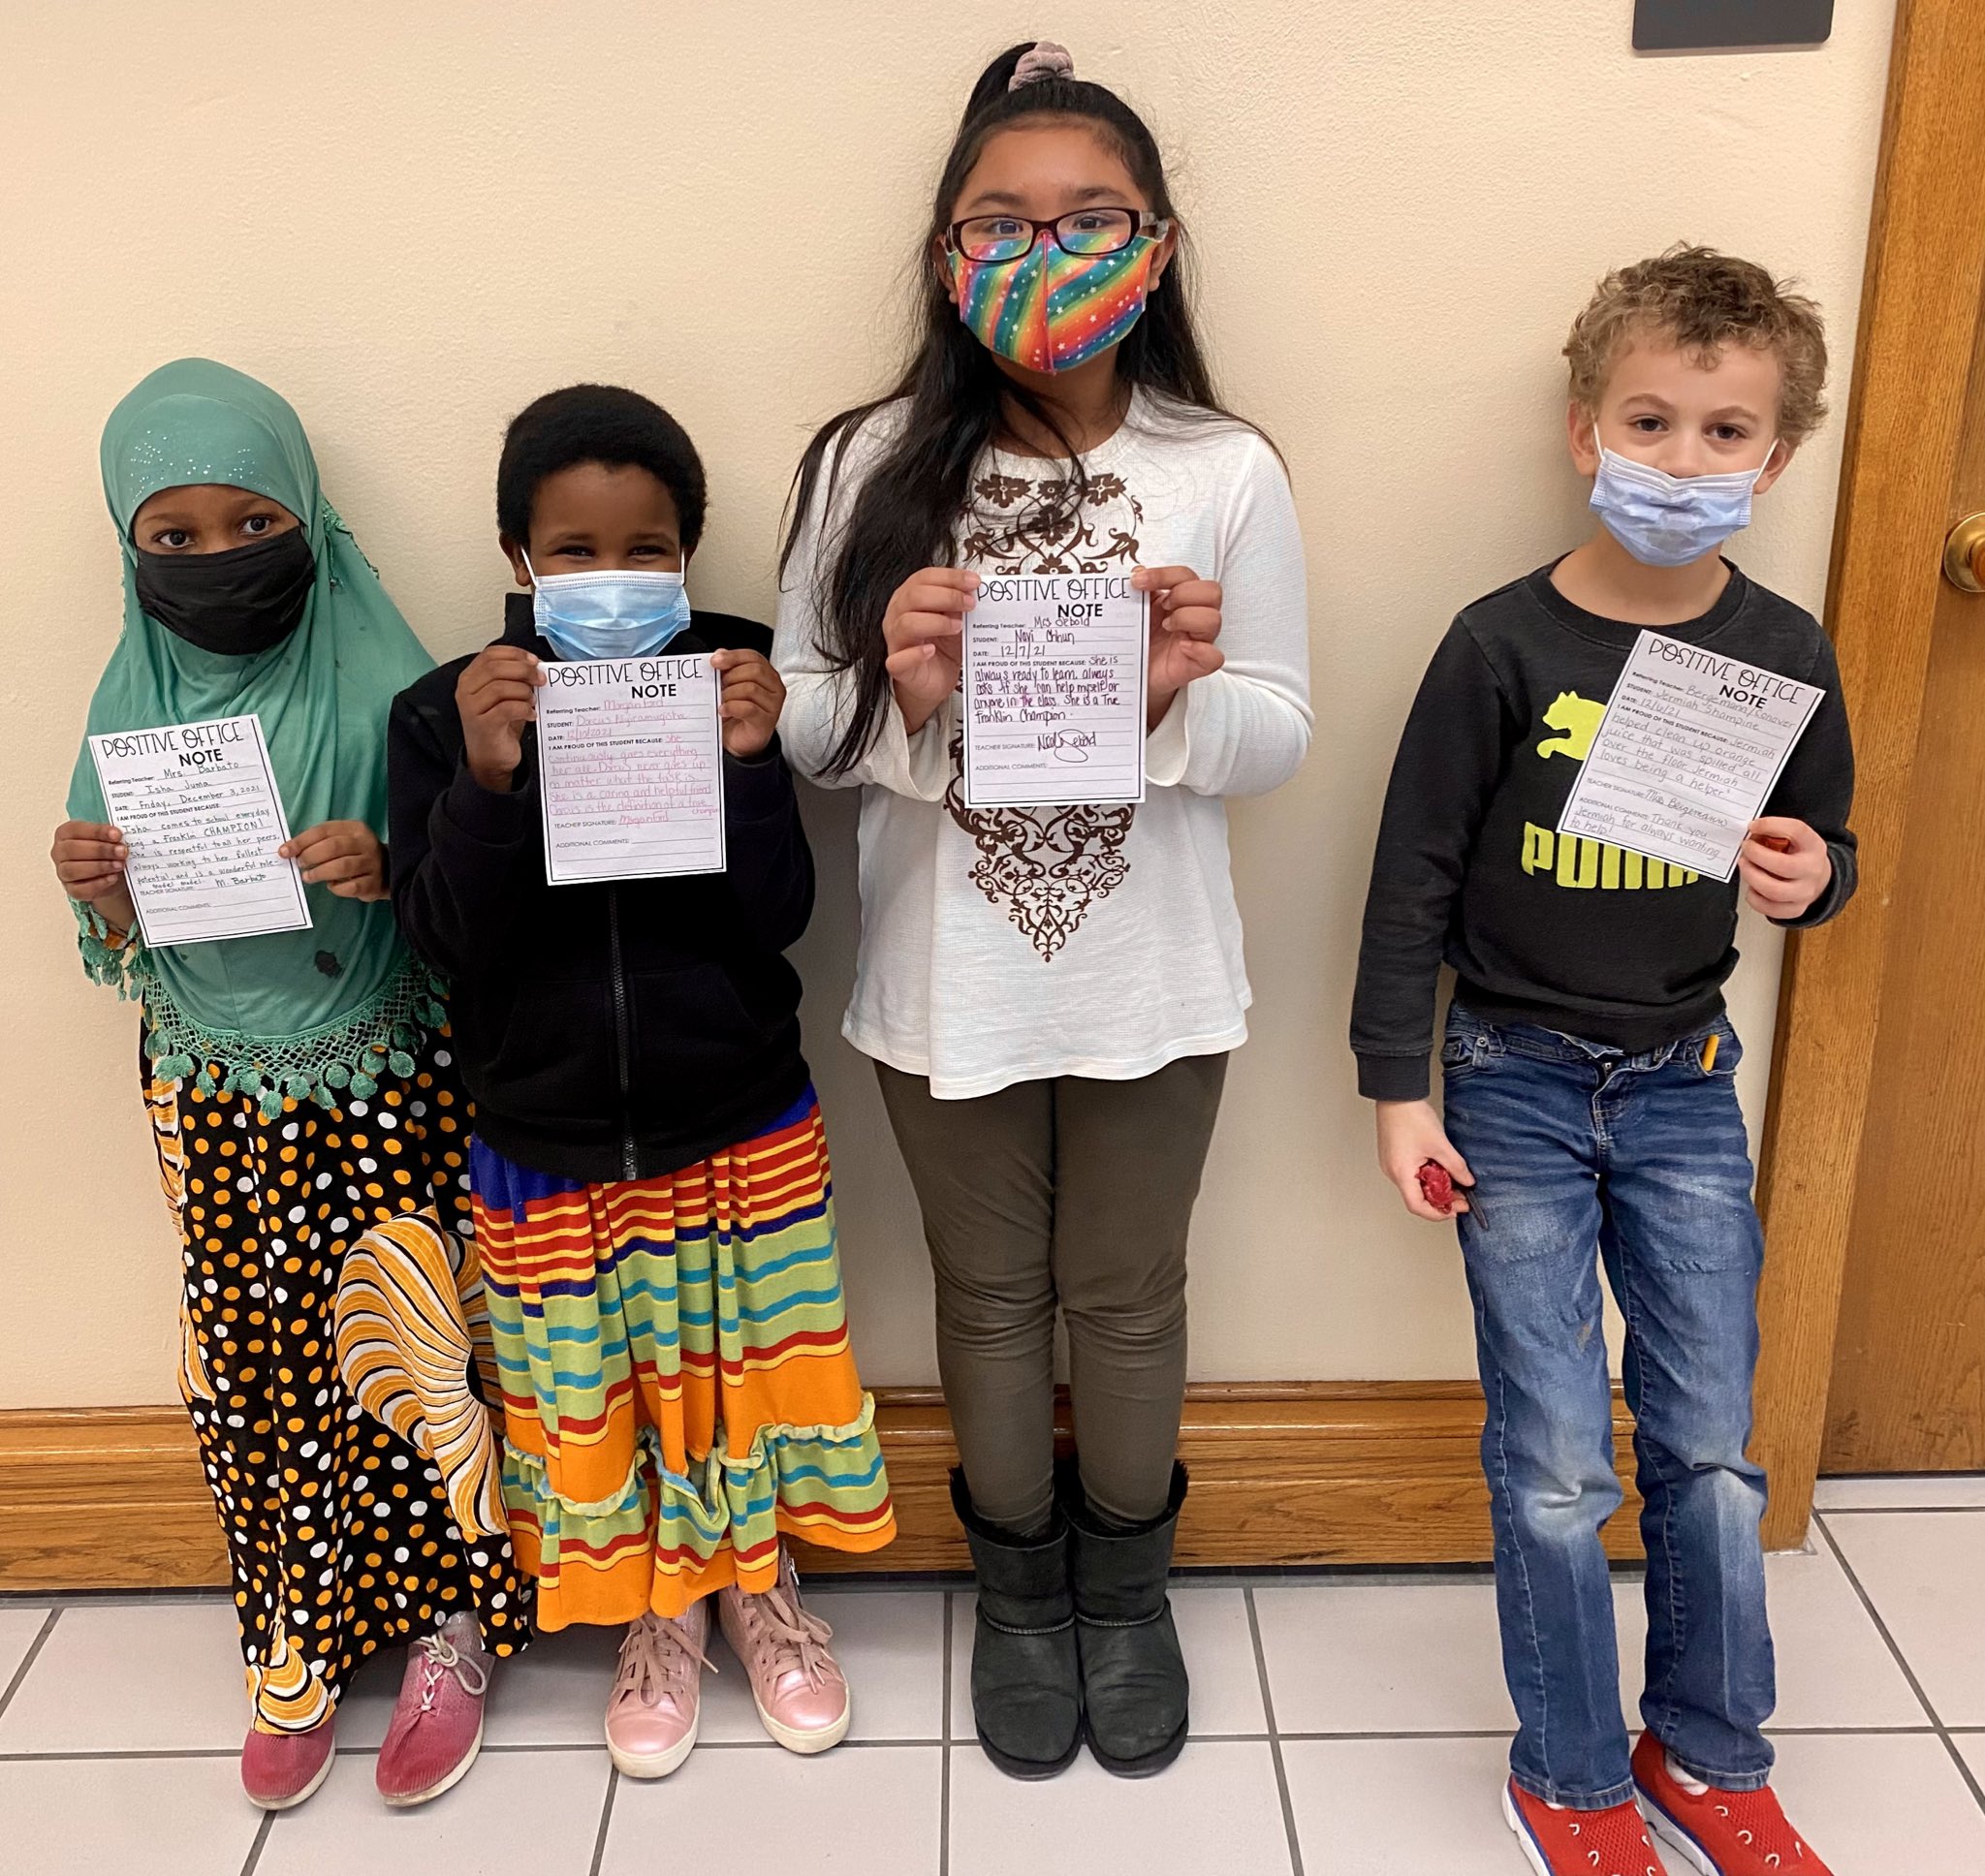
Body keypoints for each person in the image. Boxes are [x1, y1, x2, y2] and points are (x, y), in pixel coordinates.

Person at [773, 41, 1310, 1781]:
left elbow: (1278, 733)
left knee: (1130, 1293)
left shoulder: (1224, 465)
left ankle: (1127, 1593)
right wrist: (903, 690)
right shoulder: (866, 463)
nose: (1045, 250)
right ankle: (1020, 1599)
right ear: (944, 253)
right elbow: (803, 723)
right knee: (988, 1296)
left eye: (1089, 218)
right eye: (999, 221)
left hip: (1155, 974)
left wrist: (1171, 695)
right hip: (950, 975)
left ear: (1154, 243)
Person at [1350, 247, 1852, 1876]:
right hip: (1510, 1075)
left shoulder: (1783, 650)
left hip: (1687, 1083)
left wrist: (1816, 876)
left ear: (1777, 459)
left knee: (1710, 1441)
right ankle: (1568, 1773)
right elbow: (1412, 870)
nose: (1687, 461)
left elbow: (1825, 841)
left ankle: (1707, 1751)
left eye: (1726, 433)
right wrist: (1397, 1084)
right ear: (1585, 431)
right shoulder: (1500, 645)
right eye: (1652, 421)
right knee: (1559, 1454)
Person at [388, 383, 894, 1782]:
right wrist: (485, 786)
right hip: (546, 1137)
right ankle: (655, 1617)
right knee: (603, 1395)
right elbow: (437, 939)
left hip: (733, 1116)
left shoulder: (734, 676)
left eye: (650, 549)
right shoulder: (448, 712)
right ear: (519, 562)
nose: (616, 580)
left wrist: (745, 764)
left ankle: (760, 1595)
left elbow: (780, 911)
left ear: (690, 552)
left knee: (740, 1386)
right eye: (578, 551)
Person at [51, 359, 528, 1813]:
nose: (212, 561)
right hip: (209, 1091)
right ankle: (296, 1634)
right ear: (129, 546)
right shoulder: (127, 704)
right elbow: (116, 944)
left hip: (383, 1066)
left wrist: (389, 870)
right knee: (256, 1361)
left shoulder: (396, 687)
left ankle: (456, 1622)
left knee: (419, 1341)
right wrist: (102, 893)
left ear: (309, 520)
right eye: (173, 536)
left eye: (251, 523)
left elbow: (473, 895)